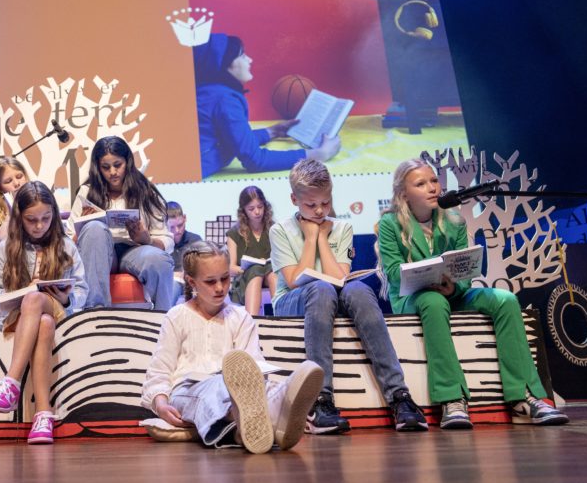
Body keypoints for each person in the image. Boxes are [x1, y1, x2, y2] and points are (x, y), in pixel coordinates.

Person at [376, 159, 569, 429]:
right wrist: (428, 274)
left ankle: (524, 397)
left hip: (452, 293)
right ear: (403, 193)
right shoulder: (390, 224)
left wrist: (454, 287)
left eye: (433, 180)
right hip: (415, 298)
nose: (432, 188)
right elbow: (394, 271)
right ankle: (452, 399)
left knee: (505, 299)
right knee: (433, 300)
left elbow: (465, 271)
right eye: (421, 184)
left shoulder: (453, 220)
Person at [269, 159, 427, 433]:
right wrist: (310, 238)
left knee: (359, 290)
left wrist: (320, 238)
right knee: (320, 289)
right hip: (292, 302)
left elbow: (339, 277)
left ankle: (399, 396)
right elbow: (295, 280)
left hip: (332, 294)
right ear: (294, 199)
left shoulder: (341, 229)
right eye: (311, 205)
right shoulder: (280, 230)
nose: (320, 210)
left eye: (326, 203)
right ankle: (320, 401)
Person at [141, 240, 324, 453]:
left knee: (262, 386)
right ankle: (270, 414)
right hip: (188, 390)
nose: (220, 287)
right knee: (216, 388)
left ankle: (251, 425)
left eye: (225, 279)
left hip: (238, 388)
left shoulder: (241, 317)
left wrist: (260, 382)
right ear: (191, 281)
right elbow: (159, 372)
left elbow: (255, 369)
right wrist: (161, 404)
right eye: (210, 281)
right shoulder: (176, 316)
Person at [0, 181, 87, 445]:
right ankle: (43, 415)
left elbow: (83, 290)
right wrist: (20, 294)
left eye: (46, 218)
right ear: (19, 218)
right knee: (43, 321)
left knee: (37, 300)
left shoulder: (65, 246)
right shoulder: (7, 248)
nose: (39, 226)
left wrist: (67, 297)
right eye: (31, 220)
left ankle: (10, 383)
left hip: (60, 310)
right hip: (21, 318)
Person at [193, 33, 339, 178]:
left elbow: (233, 140)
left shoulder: (208, 92)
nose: (250, 60)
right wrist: (318, 155)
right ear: (224, 63)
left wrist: (271, 132)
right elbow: (256, 160)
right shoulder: (224, 99)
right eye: (242, 55)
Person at [66, 136, 176, 310]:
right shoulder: (87, 192)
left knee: (157, 259)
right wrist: (84, 226)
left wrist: (146, 239)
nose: (112, 172)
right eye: (106, 167)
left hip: (135, 251)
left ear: (128, 162)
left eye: (118, 165)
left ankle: (163, 320)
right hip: (99, 253)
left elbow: (168, 241)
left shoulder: (145, 191)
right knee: (94, 228)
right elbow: (68, 241)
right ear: (97, 168)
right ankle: (95, 313)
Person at [226, 186, 277, 316]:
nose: (257, 212)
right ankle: (252, 321)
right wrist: (247, 267)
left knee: (272, 272)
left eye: (260, 207)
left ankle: (282, 318)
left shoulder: (273, 229)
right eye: (251, 209)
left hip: (270, 274)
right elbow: (231, 268)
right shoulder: (234, 233)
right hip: (245, 278)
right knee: (256, 270)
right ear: (243, 210)